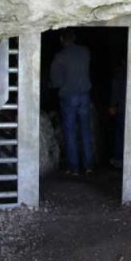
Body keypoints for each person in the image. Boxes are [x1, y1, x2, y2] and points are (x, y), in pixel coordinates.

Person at [50, 29, 94, 175]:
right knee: (86, 131)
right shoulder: (85, 52)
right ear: (74, 38)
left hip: (69, 97)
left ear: (62, 40)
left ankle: (74, 168)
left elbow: (55, 82)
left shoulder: (60, 56)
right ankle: (88, 166)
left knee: (70, 132)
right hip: (84, 95)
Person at [107, 60, 126, 169]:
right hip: (130, 108)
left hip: (122, 110)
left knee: (120, 135)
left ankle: (119, 159)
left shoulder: (118, 77)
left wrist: (113, 106)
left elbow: (115, 92)